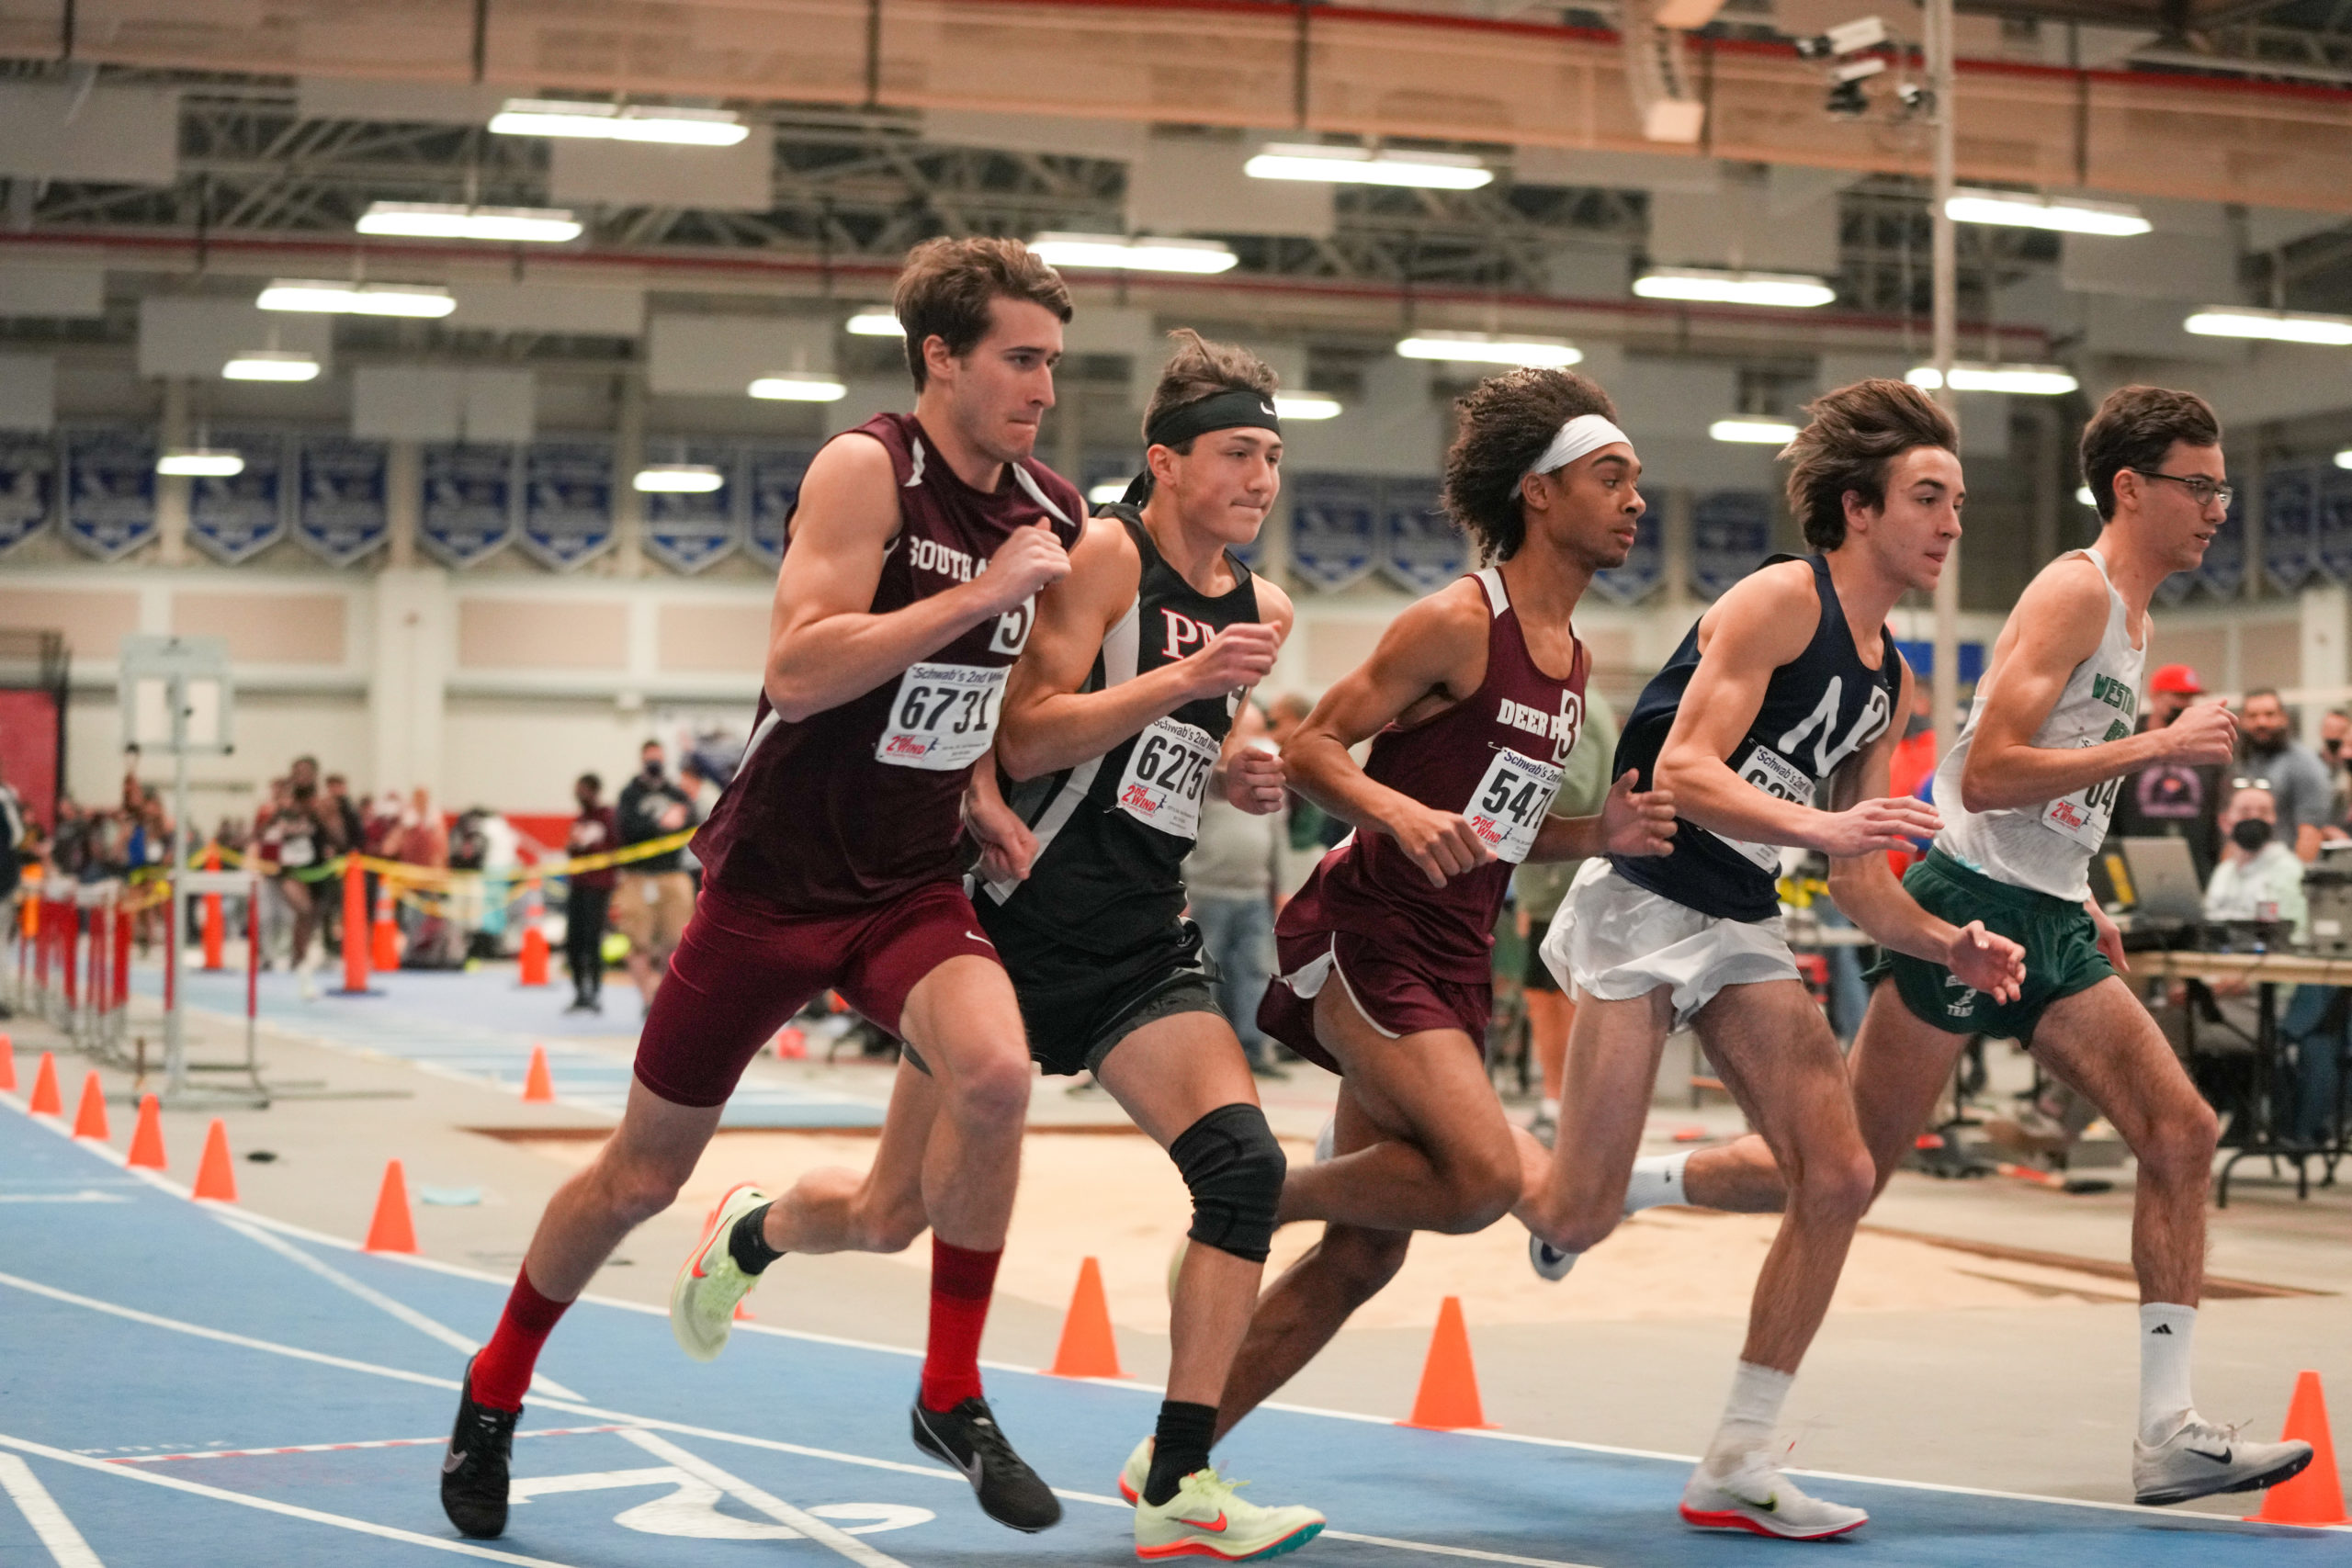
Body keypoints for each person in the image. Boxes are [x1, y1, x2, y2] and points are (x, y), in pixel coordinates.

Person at [438, 236, 1085, 1541]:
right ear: (941, 358)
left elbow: (949, 706)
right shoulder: (869, 468)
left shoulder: (1051, 507)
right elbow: (797, 672)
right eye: (1020, 358)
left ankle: (948, 1390)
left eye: (1056, 364)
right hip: (772, 888)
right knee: (638, 1175)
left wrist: (983, 797)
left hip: (905, 882)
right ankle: (494, 1387)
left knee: (999, 1075)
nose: (1042, 388)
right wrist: (980, 599)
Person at [1708, 384, 2313, 1509]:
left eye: (2223, 487)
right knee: (1841, 1174)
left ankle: (2167, 1431)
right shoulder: (2074, 592)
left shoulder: (2138, 619)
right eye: (2200, 485)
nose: (2217, 509)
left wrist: (2080, 893)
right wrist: (2157, 746)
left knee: (2179, 1132)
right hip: (1966, 903)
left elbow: (2048, 792)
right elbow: (1984, 773)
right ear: (2130, 489)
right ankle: (1627, 1187)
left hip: (2042, 914)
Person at [1523, 378, 2025, 1540]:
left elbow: (1858, 881)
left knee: (1840, 1174)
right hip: (1645, 902)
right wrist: (1822, 828)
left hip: (1740, 918)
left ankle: (1736, 1461)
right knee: (1577, 1207)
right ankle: (1460, 1148)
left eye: (1957, 499)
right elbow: (1684, 771)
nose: (1951, 522)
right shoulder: (1776, 603)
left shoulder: (1893, 679)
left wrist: (1953, 939)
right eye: (1929, 498)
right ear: (1858, 508)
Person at [1212, 367, 1675, 1460]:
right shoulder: (1458, 622)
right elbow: (1315, 746)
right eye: (1611, 477)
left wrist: (1596, 834)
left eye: (1637, 480)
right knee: (1476, 1183)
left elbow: (1494, 830)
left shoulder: (1574, 662)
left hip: (1455, 955)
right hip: (1368, 937)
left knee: (1364, 1257)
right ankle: (1255, 1192)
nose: (1636, 500)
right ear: (1538, 493)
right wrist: (1396, 810)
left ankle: (1177, 1457)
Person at [954, 330, 1323, 1559]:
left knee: (1243, 1169)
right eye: (1236, 452)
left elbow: (1168, 760)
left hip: (1135, 946)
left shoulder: (1264, 606)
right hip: (1005, 929)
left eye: (1273, 455)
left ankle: (1180, 1474)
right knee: (890, 1205)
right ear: (1165, 461)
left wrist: (1240, 768)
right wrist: (1186, 686)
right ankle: (758, 1227)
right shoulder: (1107, 556)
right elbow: (1026, 739)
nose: (1261, 477)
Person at [1508, 684, 1619, 1143]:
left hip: (1572, 880)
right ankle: (1557, 1103)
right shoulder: (1563, 704)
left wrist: (1503, 763)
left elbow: (1573, 794)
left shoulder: (1577, 707)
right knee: (1543, 998)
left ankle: (1577, 1113)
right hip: (1546, 883)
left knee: (1568, 1000)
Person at [1186, 700, 1285, 1076]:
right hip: (1208, 891)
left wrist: (1283, 886)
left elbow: (1278, 835)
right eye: (1245, 731)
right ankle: (1203, 1051)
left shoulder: (1265, 780)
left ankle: (1253, 1048)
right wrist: (1184, 889)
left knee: (1253, 971)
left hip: (1254, 893)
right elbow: (1184, 833)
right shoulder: (1208, 776)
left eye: (1259, 732)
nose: (1253, 741)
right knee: (1203, 974)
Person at [2112, 663, 2226, 881]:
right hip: (2134, 859)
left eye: (2190, 698)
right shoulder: (2128, 739)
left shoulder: (2206, 745)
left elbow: (2216, 809)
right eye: (2179, 696)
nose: (2185, 705)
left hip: (2197, 864)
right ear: (2155, 697)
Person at [614, 741, 697, 1007]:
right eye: (650, 759)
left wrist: (680, 818)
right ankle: (647, 999)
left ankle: (663, 998)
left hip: (672, 875)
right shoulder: (630, 795)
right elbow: (626, 830)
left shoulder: (676, 794)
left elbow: (691, 823)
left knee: (674, 942)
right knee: (638, 943)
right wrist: (660, 825)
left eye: (658, 759)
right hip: (638, 876)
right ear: (642, 760)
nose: (655, 763)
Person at [2235, 690, 2332, 862]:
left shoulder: (2304, 763)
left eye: (2269, 714)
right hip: (2248, 872)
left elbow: (2310, 832)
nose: (2261, 722)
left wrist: (2294, 879)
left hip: (2286, 870)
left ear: (2284, 718)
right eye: (2253, 716)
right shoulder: (2241, 762)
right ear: (2242, 721)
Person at [2203, 782, 2308, 938]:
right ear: (2224, 821)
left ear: (2274, 820)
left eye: (2264, 812)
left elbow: (2294, 933)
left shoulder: (2290, 870)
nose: (2254, 818)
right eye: (2245, 812)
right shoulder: (2224, 871)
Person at [563, 773, 619, 1015]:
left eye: (583, 790)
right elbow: (572, 852)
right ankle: (579, 992)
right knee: (573, 941)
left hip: (598, 888)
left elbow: (617, 850)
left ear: (594, 791)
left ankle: (595, 992)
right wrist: (574, 845)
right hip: (577, 886)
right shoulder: (580, 820)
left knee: (592, 940)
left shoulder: (608, 818)